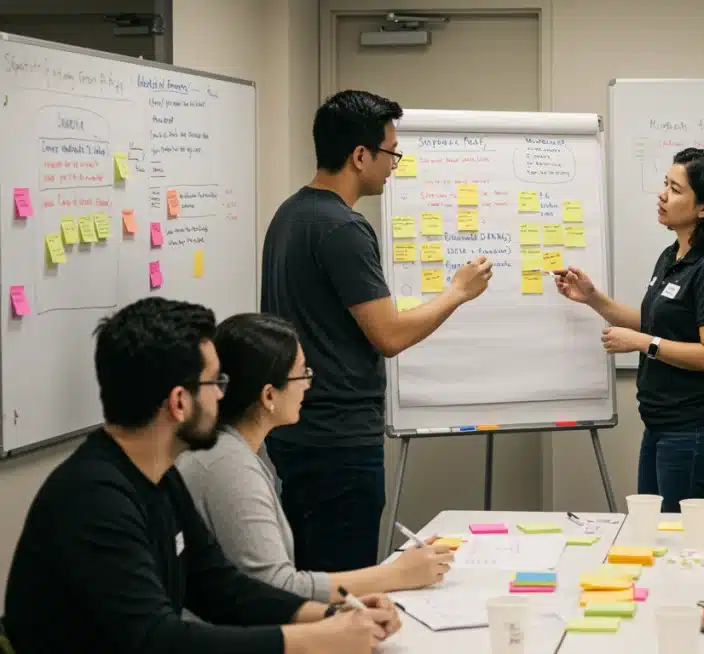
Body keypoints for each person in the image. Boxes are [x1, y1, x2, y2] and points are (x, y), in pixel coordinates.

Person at [1, 298, 401, 654]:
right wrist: (313, 640)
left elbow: (218, 585)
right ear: (179, 402)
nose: (223, 395)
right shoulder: (93, 500)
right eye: (215, 383)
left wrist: (332, 613)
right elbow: (156, 639)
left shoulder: (156, 473)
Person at [260, 90, 492, 572]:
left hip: (297, 434)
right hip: (338, 443)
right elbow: (388, 335)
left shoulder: (291, 214)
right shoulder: (342, 227)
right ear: (359, 155)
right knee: (346, 587)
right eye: (390, 153)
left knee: (311, 579)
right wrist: (457, 292)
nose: (394, 165)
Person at [177, 313, 455, 603]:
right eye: (301, 374)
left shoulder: (227, 451)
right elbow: (276, 588)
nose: (308, 384)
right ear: (269, 396)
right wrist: (397, 574)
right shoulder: (228, 466)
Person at [554, 147, 704, 513]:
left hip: (698, 429)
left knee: (684, 544)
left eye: (676, 190)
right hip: (663, 424)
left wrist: (645, 345)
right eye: (665, 184)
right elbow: (657, 323)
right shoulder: (672, 256)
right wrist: (594, 299)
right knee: (656, 537)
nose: (662, 195)